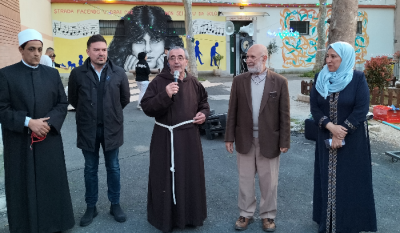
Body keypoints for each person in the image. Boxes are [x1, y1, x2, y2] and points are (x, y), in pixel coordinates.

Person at [0, 29, 75, 233]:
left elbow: (62, 102)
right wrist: (28, 122)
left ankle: (54, 224)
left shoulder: (52, 73)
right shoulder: (6, 75)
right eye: (31, 49)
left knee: (50, 182)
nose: (36, 53)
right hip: (20, 143)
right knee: (22, 184)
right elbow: (2, 109)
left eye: (39, 49)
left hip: (47, 139)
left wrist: (46, 124)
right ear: (21, 50)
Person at [310, 41, 377, 233]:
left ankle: (349, 224)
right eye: (327, 56)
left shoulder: (357, 79)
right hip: (326, 136)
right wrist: (331, 127)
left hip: (353, 141)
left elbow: (361, 109)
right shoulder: (320, 77)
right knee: (326, 180)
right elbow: (314, 107)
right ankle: (327, 222)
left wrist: (342, 131)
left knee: (350, 182)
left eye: (334, 57)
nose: (328, 60)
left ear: (344, 59)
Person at [141, 46, 210, 232]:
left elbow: (204, 103)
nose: (177, 61)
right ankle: (165, 218)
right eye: (173, 58)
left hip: (189, 138)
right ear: (168, 61)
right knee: (163, 176)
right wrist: (166, 94)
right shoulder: (158, 82)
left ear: (186, 61)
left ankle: (189, 216)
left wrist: (203, 114)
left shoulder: (194, 83)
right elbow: (147, 107)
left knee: (189, 176)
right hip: (164, 137)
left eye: (180, 57)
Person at [225, 44, 290, 232]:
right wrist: (229, 137)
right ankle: (245, 213)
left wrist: (284, 141)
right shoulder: (239, 81)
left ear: (264, 58)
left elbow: (284, 114)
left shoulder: (279, 82)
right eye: (247, 57)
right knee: (245, 179)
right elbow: (232, 111)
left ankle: (268, 215)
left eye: (253, 57)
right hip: (245, 139)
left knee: (269, 181)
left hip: (270, 140)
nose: (249, 60)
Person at [68, 34, 131, 227]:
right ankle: (91, 206)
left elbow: (125, 99)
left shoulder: (118, 72)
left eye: (104, 49)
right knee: (90, 169)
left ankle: (115, 204)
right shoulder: (78, 73)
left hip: (112, 128)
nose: (101, 53)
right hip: (88, 129)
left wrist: (109, 113)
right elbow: (73, 99)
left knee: (113, 167)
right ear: (88, 51)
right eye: (96, 50)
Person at [108, 5, 184, 72]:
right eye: (139, 41)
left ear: (166, 43)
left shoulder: (182, 75)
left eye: (155, 40)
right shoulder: (111, 73)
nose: (147, 49)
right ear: (128, 46)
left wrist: (165, 76)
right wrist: (128, 76)